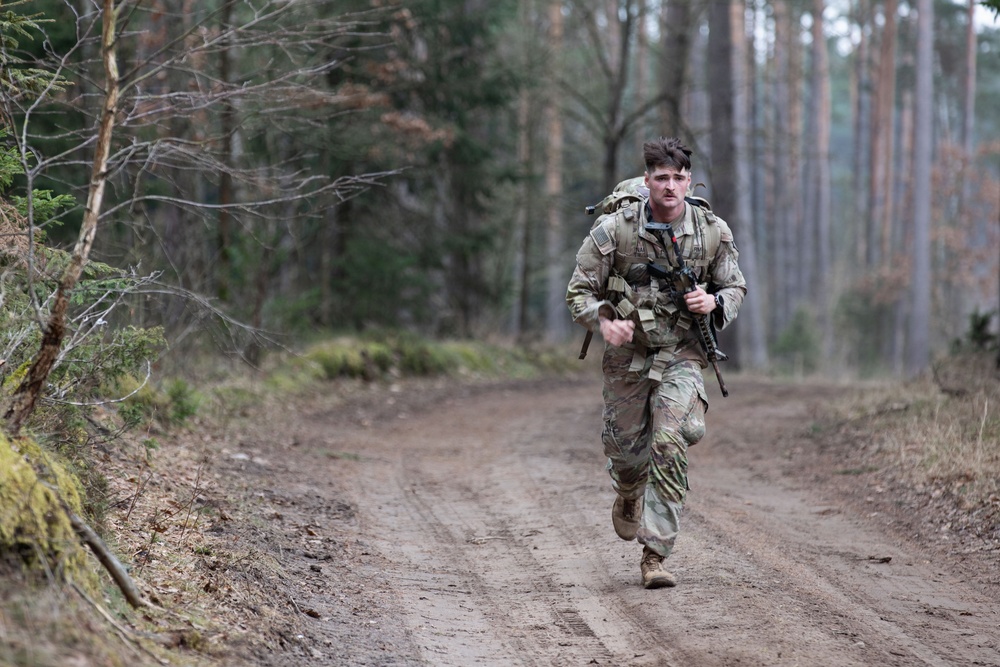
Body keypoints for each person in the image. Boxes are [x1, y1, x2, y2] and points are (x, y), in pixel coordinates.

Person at [566, 136, 746, 589]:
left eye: (678, 178)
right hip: (627, 355)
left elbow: (735, 287)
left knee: (670, 440)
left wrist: (714, 300)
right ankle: (628, 491)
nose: (670, 186)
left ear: (689, 182)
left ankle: (655, 555)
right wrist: (603, 320)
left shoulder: (711, 232)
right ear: (647, 181)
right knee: (626, 454)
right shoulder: (615, 231)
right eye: (661, 178)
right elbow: (578, 292)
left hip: (681, 354)